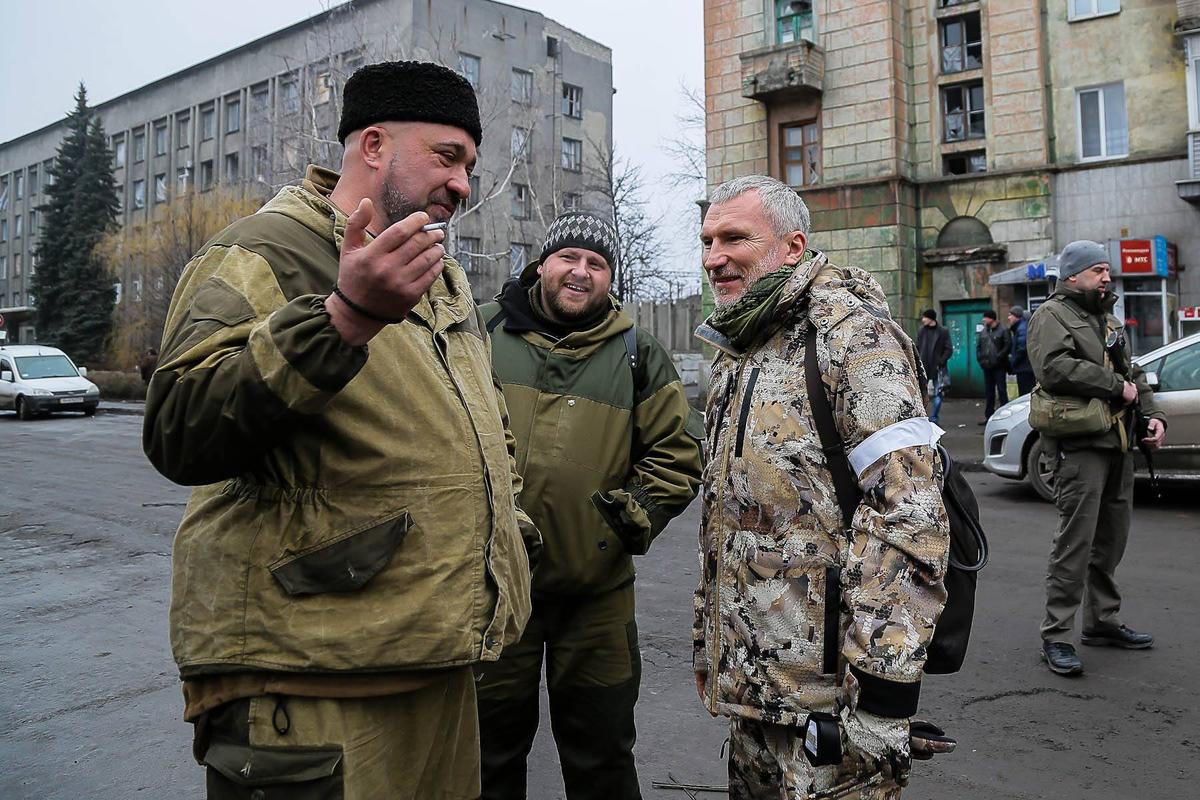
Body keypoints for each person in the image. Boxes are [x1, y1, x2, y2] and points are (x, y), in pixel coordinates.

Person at [142, 61, 539, 799]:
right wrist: (344, 318)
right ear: (376, 146)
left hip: (438, 662)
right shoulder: (267, 248)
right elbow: (179, 428)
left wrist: (509, 533)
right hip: (312, 680)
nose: (462, 184)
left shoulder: (441, 276)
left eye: (470, 166)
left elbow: (485, 435)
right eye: (447, 157)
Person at [693, 175, 952, 800]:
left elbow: (907, 513)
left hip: (832, 701)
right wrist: (717, 654)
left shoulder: (853, 336)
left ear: (791, 247)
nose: (713, 258)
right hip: (756, 690)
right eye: (706, 241)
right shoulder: (742, 346)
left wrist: (886, 698)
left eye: (734, 238)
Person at [475, 211, 704, 800]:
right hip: (493, 590)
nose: (581, 272)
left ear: (610, 278)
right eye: (569, 258)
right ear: (542, 264)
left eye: (597, 264)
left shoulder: (637, 353)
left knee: (601, 758)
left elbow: (677, 452)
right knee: (485, 756)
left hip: (596, 597)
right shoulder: (480, 332)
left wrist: (637, 513)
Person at [1029, 240, 1166, 678]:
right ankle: (1056, 636)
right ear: (1072, 276)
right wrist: (1114, 386)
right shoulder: (1051, 315)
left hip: (1117, 443)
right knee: (1075, 543)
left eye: (1107, 270)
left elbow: (1135, 373)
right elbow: (1054, 368)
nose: (1106, 277)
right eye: (1097, 270)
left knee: (1110, 541)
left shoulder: (1105, 317)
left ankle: (1102, 622)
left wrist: (1154, 415)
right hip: (1079, 446)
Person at [916, 308, 952, 424]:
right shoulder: (922, 331)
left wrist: (941, 362)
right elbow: (917, 347)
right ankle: (922, 417)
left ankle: (934, 417)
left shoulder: (943, 331)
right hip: (923, 367)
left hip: (937, 368)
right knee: (920, 393)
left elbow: (948, 349)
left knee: (938, 393)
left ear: (931, 318)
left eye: (924, 317)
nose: (923, 320)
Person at [976, 309, 1012, 420]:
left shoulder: (1003, 330)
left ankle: (1005, 416)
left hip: (999, 366)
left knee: (1001, 391)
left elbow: (1007, 346)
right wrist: (980, 359)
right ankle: (989, 417)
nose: (983, 319)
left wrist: (998, 357)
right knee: (989, 392)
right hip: (986, 366)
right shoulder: (984, 331)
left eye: (985, 317)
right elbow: (979, 346)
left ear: (992, 318)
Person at [1007, 305, 1035, 396]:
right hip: (1025, 367)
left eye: (1010, 315)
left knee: (1025, 394)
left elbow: (1022, 349)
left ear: (1017, 316)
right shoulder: (1020, 327)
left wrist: (1013, 362)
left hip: (1024, 368)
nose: (1008, 318)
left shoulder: (1022, 328)